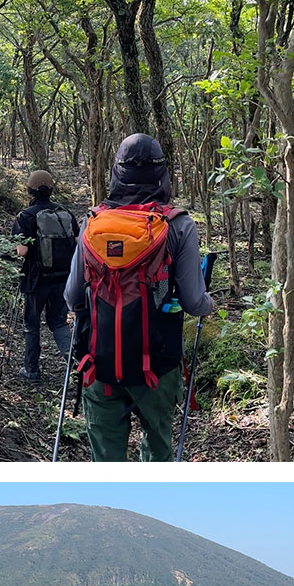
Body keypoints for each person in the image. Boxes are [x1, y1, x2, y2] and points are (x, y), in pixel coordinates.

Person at [64, 134, 216, 462]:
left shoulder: (93, 222)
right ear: (162, 173)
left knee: (106, 460)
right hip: (156, 367)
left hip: (99, 364)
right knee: (158, 449)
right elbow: (194, 302)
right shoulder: (178, 225)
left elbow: (72, 295)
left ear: (116, 172)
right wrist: (211, 303)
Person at [13, 170, 77, 384]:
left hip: (35, 279)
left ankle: (31, 370)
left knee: (32, 324)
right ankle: (75, 364)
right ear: (51, 190)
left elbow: (21, 251)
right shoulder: (65, 212)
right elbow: (76, 243)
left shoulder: (26, 216)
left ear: (29, 190)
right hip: (62, 277)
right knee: (58, 322)